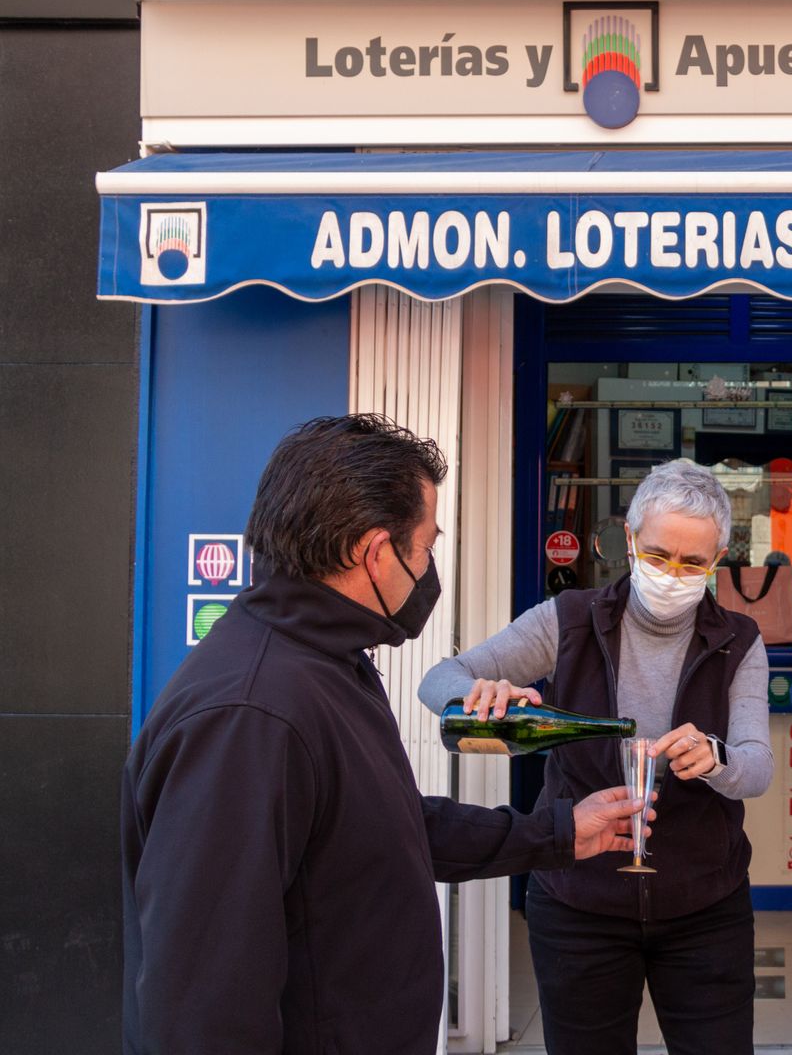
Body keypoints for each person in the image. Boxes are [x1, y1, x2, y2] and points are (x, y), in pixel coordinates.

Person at [121, 414, 648, 1055]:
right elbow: (200, 1006)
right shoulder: (251, 716)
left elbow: (390, 829)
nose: (428, 569)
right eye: (425, 547)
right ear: (374, 552)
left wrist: (560, 833)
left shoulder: (326, 666)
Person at [419, 458, 773, 1054]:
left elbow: (756, 767)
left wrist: (715, 759)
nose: (672, 574)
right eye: (659, 556)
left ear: (716, 561)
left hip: (704, 908)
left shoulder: (739, 639)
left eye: (693, 563)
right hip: (577, 903)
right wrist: (477, 694)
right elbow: (438, 679)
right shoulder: (568, 621)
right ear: (630, 541)